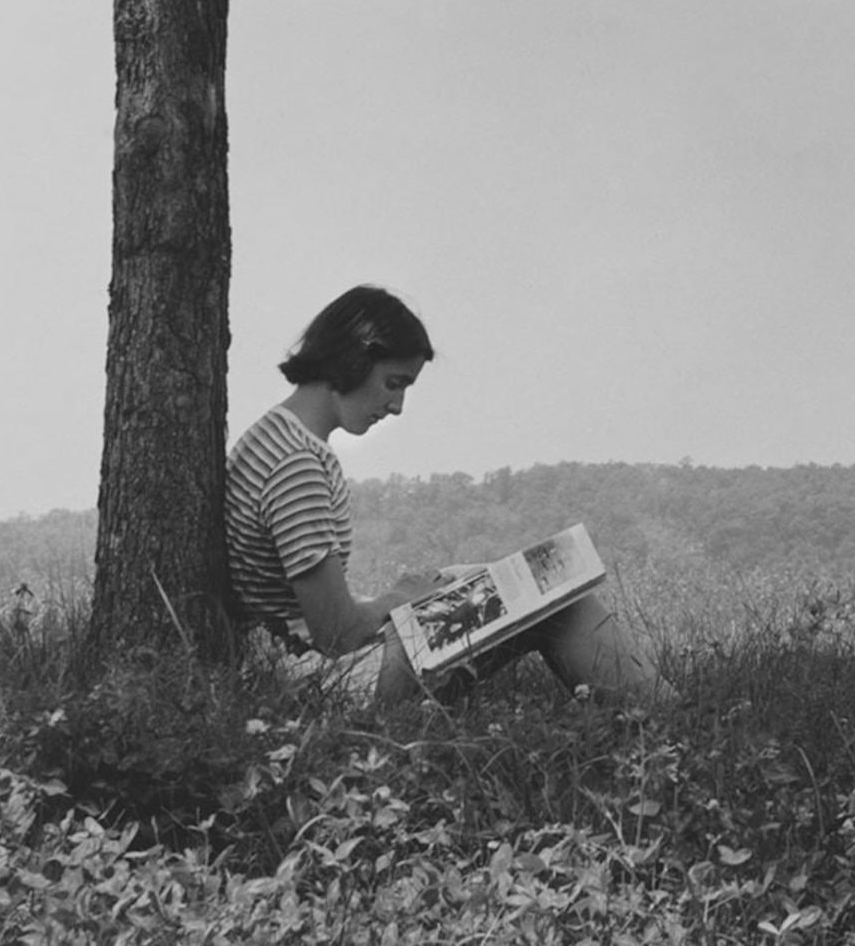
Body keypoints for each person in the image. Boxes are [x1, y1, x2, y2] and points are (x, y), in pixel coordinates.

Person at [225, 285, 670, 706]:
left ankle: (664, 715)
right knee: (559, 604)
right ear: (353, 359)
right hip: (333, 686)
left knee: (484, 580)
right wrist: (400, 598)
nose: (397, 406)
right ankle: (669, 722)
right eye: (394, 383)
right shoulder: (297, 467)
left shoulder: (275, 438)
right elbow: (336, 635)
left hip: (312, 668)